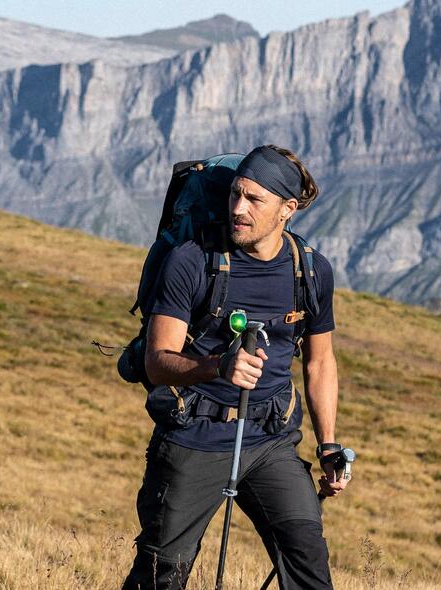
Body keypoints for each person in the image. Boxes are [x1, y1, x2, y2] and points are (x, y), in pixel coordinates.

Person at [124, 146, 350, 589]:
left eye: (253, 200)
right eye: (234, 195)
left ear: (288, 209)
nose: (238, 209)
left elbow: (320, 361)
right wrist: (216, 367)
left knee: (308, 565)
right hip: (196, 435)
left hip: (272, 440)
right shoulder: (191, 260)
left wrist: (328, 444)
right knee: (161, 573)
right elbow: (157, 360)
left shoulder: (311, 271)